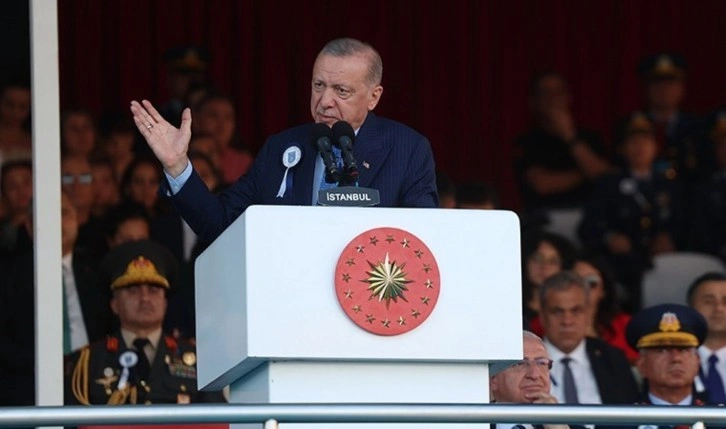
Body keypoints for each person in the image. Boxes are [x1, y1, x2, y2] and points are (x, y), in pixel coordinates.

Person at [130, 37, 438, 245]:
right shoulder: (281, 148)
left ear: (373, 97)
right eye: (318, 85)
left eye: (341, 91)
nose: (325, 101)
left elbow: (424, 244)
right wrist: (177, 165)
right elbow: (220, 224)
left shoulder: (407, 149)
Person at [65, 239, 225, 405]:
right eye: (133, 290)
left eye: (154, 290)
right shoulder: (87, 363)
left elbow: (218, 416)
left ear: (165, 303)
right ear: (114, 305)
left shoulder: (197, 361)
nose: (145, 298)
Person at [579, 112, 682, 311]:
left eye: (645, 141)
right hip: (622, 266)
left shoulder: (670, 184)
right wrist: (609, 237)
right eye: (633, 142)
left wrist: (670, 236)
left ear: (655, 147)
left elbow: (687, 221)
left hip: (663, 261)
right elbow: (587, 226)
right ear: (622, 148)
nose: (640, 147)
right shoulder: (608, 183)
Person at [514, 72, 610, 213]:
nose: (553, 99)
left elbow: (607, 176)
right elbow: (542, 184)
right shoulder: (527, 142)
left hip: (590, 215)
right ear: (534, 101)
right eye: (546, 93)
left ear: (568, 97)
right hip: (546, 217)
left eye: (558, 93)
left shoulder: (589, 138)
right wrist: (586, 173)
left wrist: (569, 135)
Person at [538, 271, 639, 405]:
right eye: (557, 312)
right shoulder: (524, 362)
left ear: (587, 314)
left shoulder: (613, 359)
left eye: (576, 311)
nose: (567, 321)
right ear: (542, 316)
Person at [625, 303, 709, 407]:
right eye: (662, 350)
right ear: (641, 365)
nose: (676, 358)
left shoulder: (717, 416)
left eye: (683, 350)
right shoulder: (624, 417)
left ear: (697, 362)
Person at [490, 331, 577, 429]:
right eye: (520, 364)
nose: (534, 375)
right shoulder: (476, 421)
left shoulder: (571, 426)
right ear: (493, 378)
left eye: (542, 363)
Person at [687, 272, 726, 404]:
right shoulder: (675, 360)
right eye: (708, 302)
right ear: (691, 309)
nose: (719, 308)